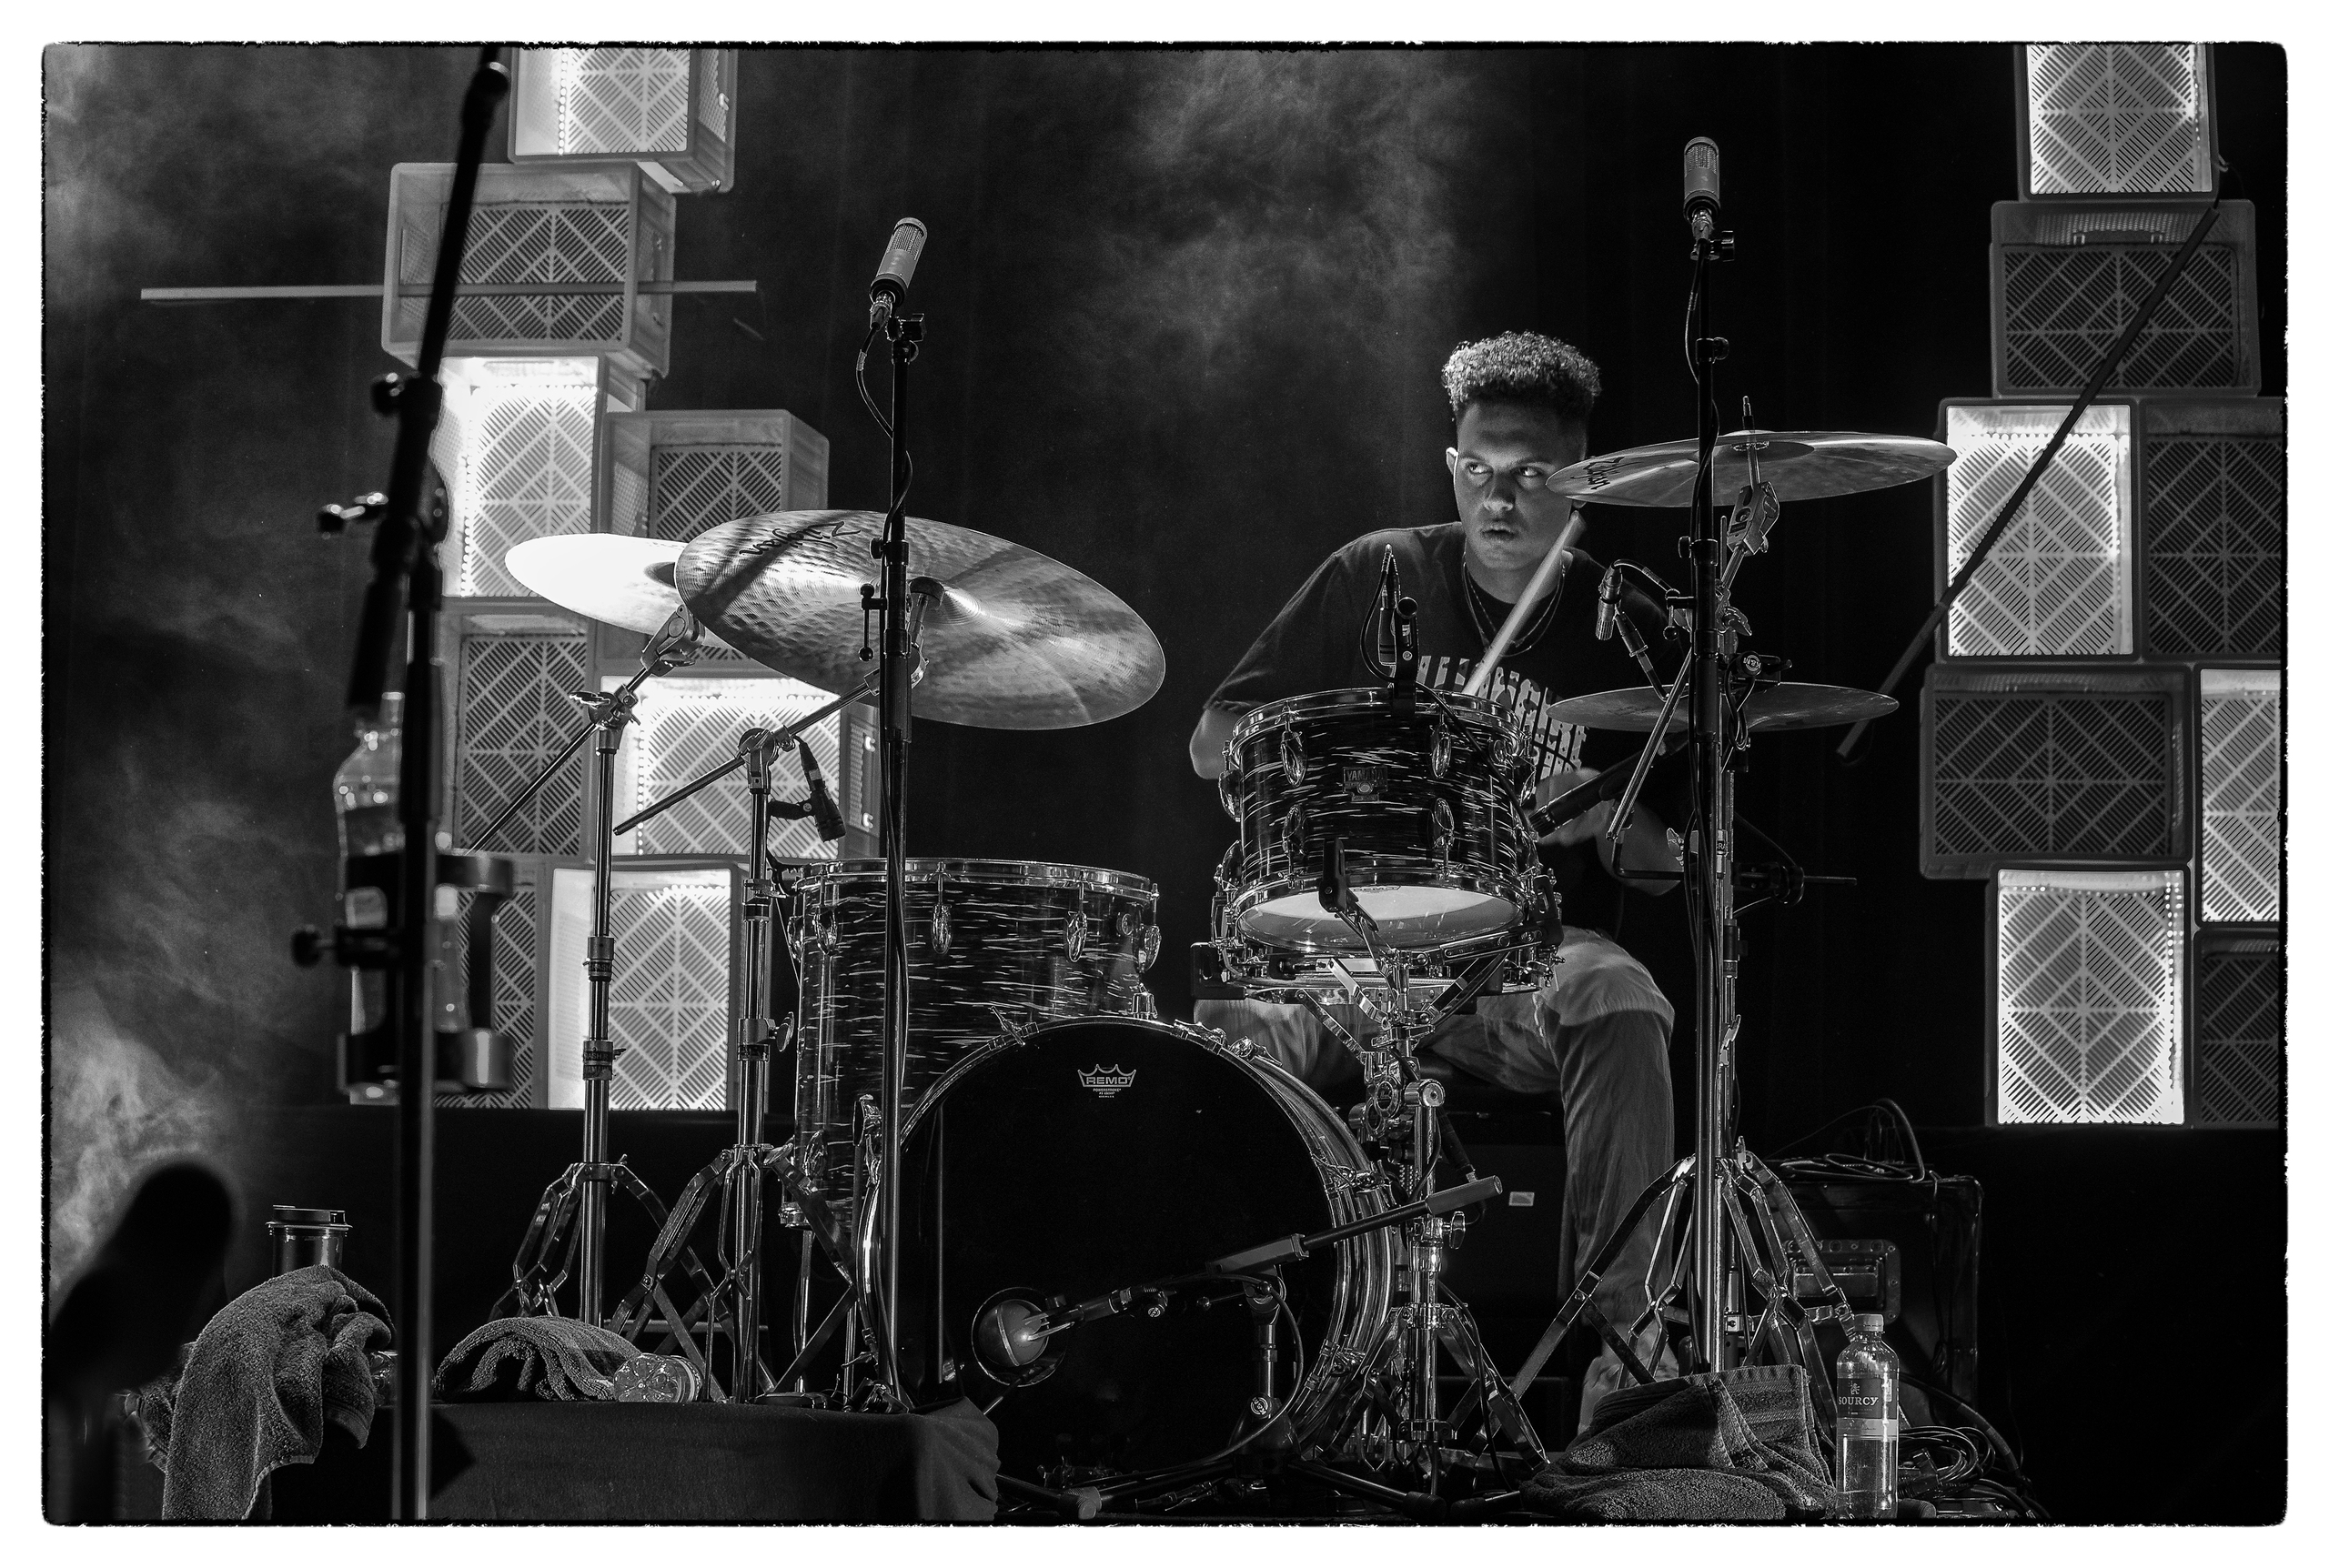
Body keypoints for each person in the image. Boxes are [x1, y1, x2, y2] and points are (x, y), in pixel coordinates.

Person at [1187, 330, 1686, 1426]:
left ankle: (1623, 1364)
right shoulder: (1376, 573)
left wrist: (1597, 804)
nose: (1497, 498)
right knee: (1221, 1035)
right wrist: (1353, 748)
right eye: (1476, 469)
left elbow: (1660, 870)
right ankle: (1222, 1373)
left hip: (1520, 965)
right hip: (1344, 953)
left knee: (1622, 997)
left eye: (1530, 474)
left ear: (1580, 478)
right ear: (1450, 463)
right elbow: (1212, 739)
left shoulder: (1620, 622)